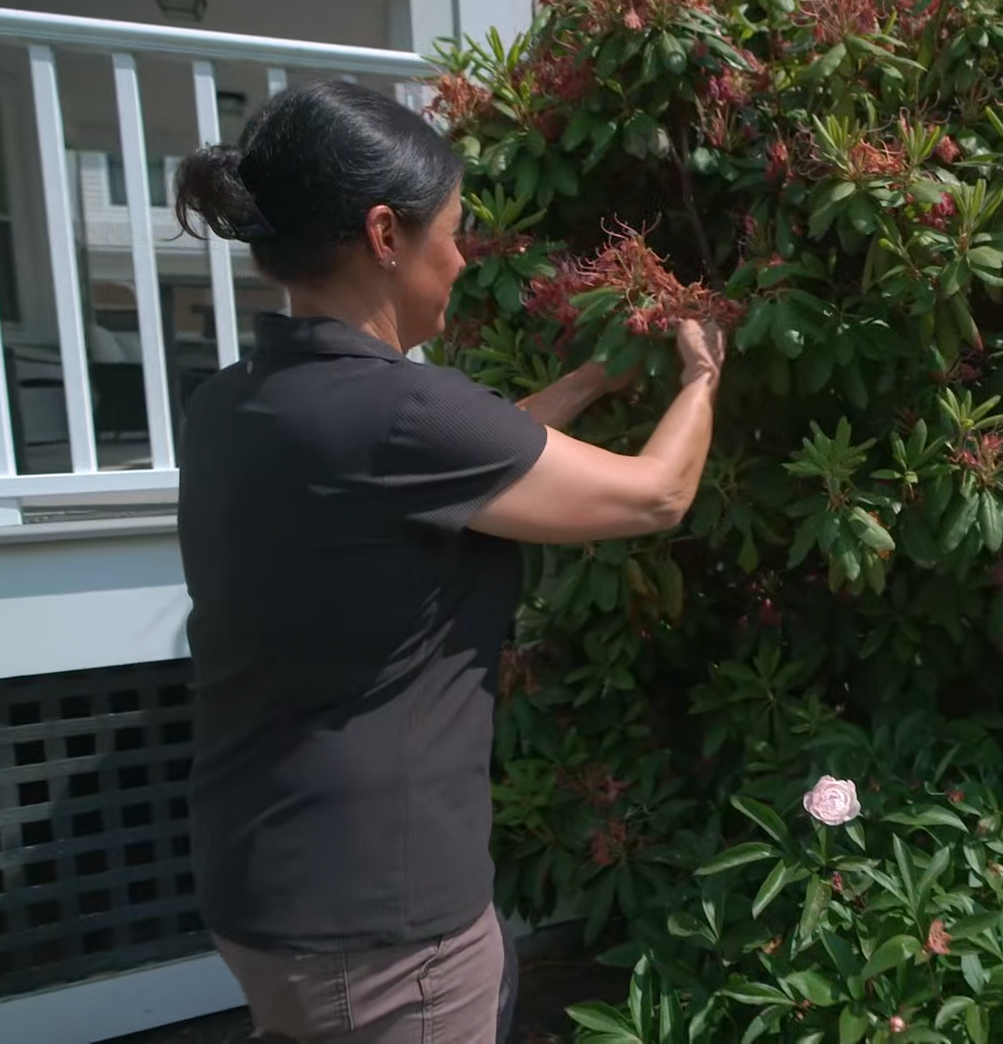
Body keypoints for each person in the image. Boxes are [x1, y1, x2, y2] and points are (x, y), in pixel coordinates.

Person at [172, 81, 727, 1044]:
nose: (464, 259)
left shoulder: (235, 399)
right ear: (386, 234)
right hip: (382, 922)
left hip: (262, 873)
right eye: (455, 231)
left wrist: (588, 381)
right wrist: (703, 375)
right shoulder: (403, 413)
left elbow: (463, 466)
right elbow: (655, 494)